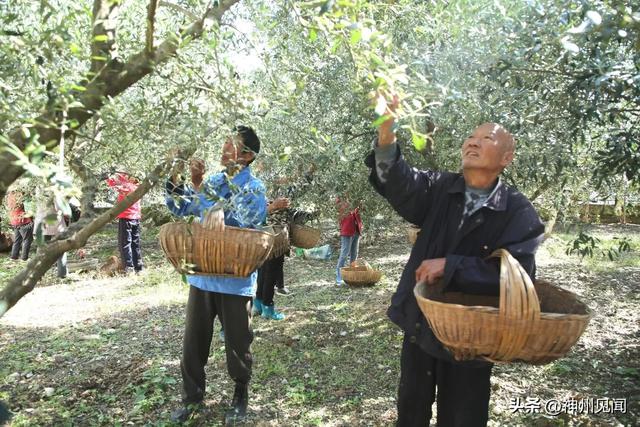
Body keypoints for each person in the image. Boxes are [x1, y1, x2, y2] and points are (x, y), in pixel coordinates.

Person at [366, 96, 545, 427]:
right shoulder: (440, 187)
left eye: (486, 138)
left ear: (507, 158)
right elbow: (400, 183)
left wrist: (451, 266)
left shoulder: (518, 212)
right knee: (411, 408)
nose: (473, 141)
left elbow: (517, 276)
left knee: (462, 416)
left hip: (473, 339)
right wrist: (387, 132)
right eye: (471, 136)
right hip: (422, 323)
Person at [165, 126, 267, 424]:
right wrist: (184, 180)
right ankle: (192, 397)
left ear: (247, 156)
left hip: (235, 279)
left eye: (232, 144)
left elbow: (250, 219)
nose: (224, 147)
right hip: (203, 274)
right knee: (194, 340)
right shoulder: (212, 181)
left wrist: (224, 212)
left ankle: (240, 395)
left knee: (238, 341)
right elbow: (184, 208)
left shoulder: (254, 188)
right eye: (225, 141)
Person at [254, 197, 291, 320]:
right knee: (270, 273)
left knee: (264, 271)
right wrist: (273, 206)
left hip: (264, 237)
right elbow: (255, 215)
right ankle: (267, 308)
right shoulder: (254, 189)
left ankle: (258, 304)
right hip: (273, 237)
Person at [106, 172, 143, 274]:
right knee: (135, 243)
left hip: (126, 218)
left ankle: (129, 267)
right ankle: (138, 267)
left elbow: (112, 183)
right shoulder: (138, 187)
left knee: (125, 243)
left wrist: (111, 174)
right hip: (135, 218)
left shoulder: (127, 186)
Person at [34, 195, 69, 278]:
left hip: (41, 224)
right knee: (61, 248)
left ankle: (37, 274)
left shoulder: (38, 190)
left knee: (41, 251)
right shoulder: (54, 191)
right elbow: (59, 208)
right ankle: (62, 273)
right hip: (54, 224)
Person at [335, 196, 363, 285]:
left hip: (356, 228)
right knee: (345, 253)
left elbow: (360, 209)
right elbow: (341, 209)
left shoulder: (355, 194)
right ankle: (339, 276)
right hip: (347, 229)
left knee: (354, 253)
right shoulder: (340, 197)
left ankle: (352, 274)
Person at [6, 189, 34, 261]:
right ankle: (24, 258)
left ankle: (14, 256)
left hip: (15, 220)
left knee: (17, 240)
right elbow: (29, 209)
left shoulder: (10, 196)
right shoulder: (20, 196)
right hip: (23, 221)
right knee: (27, 239)